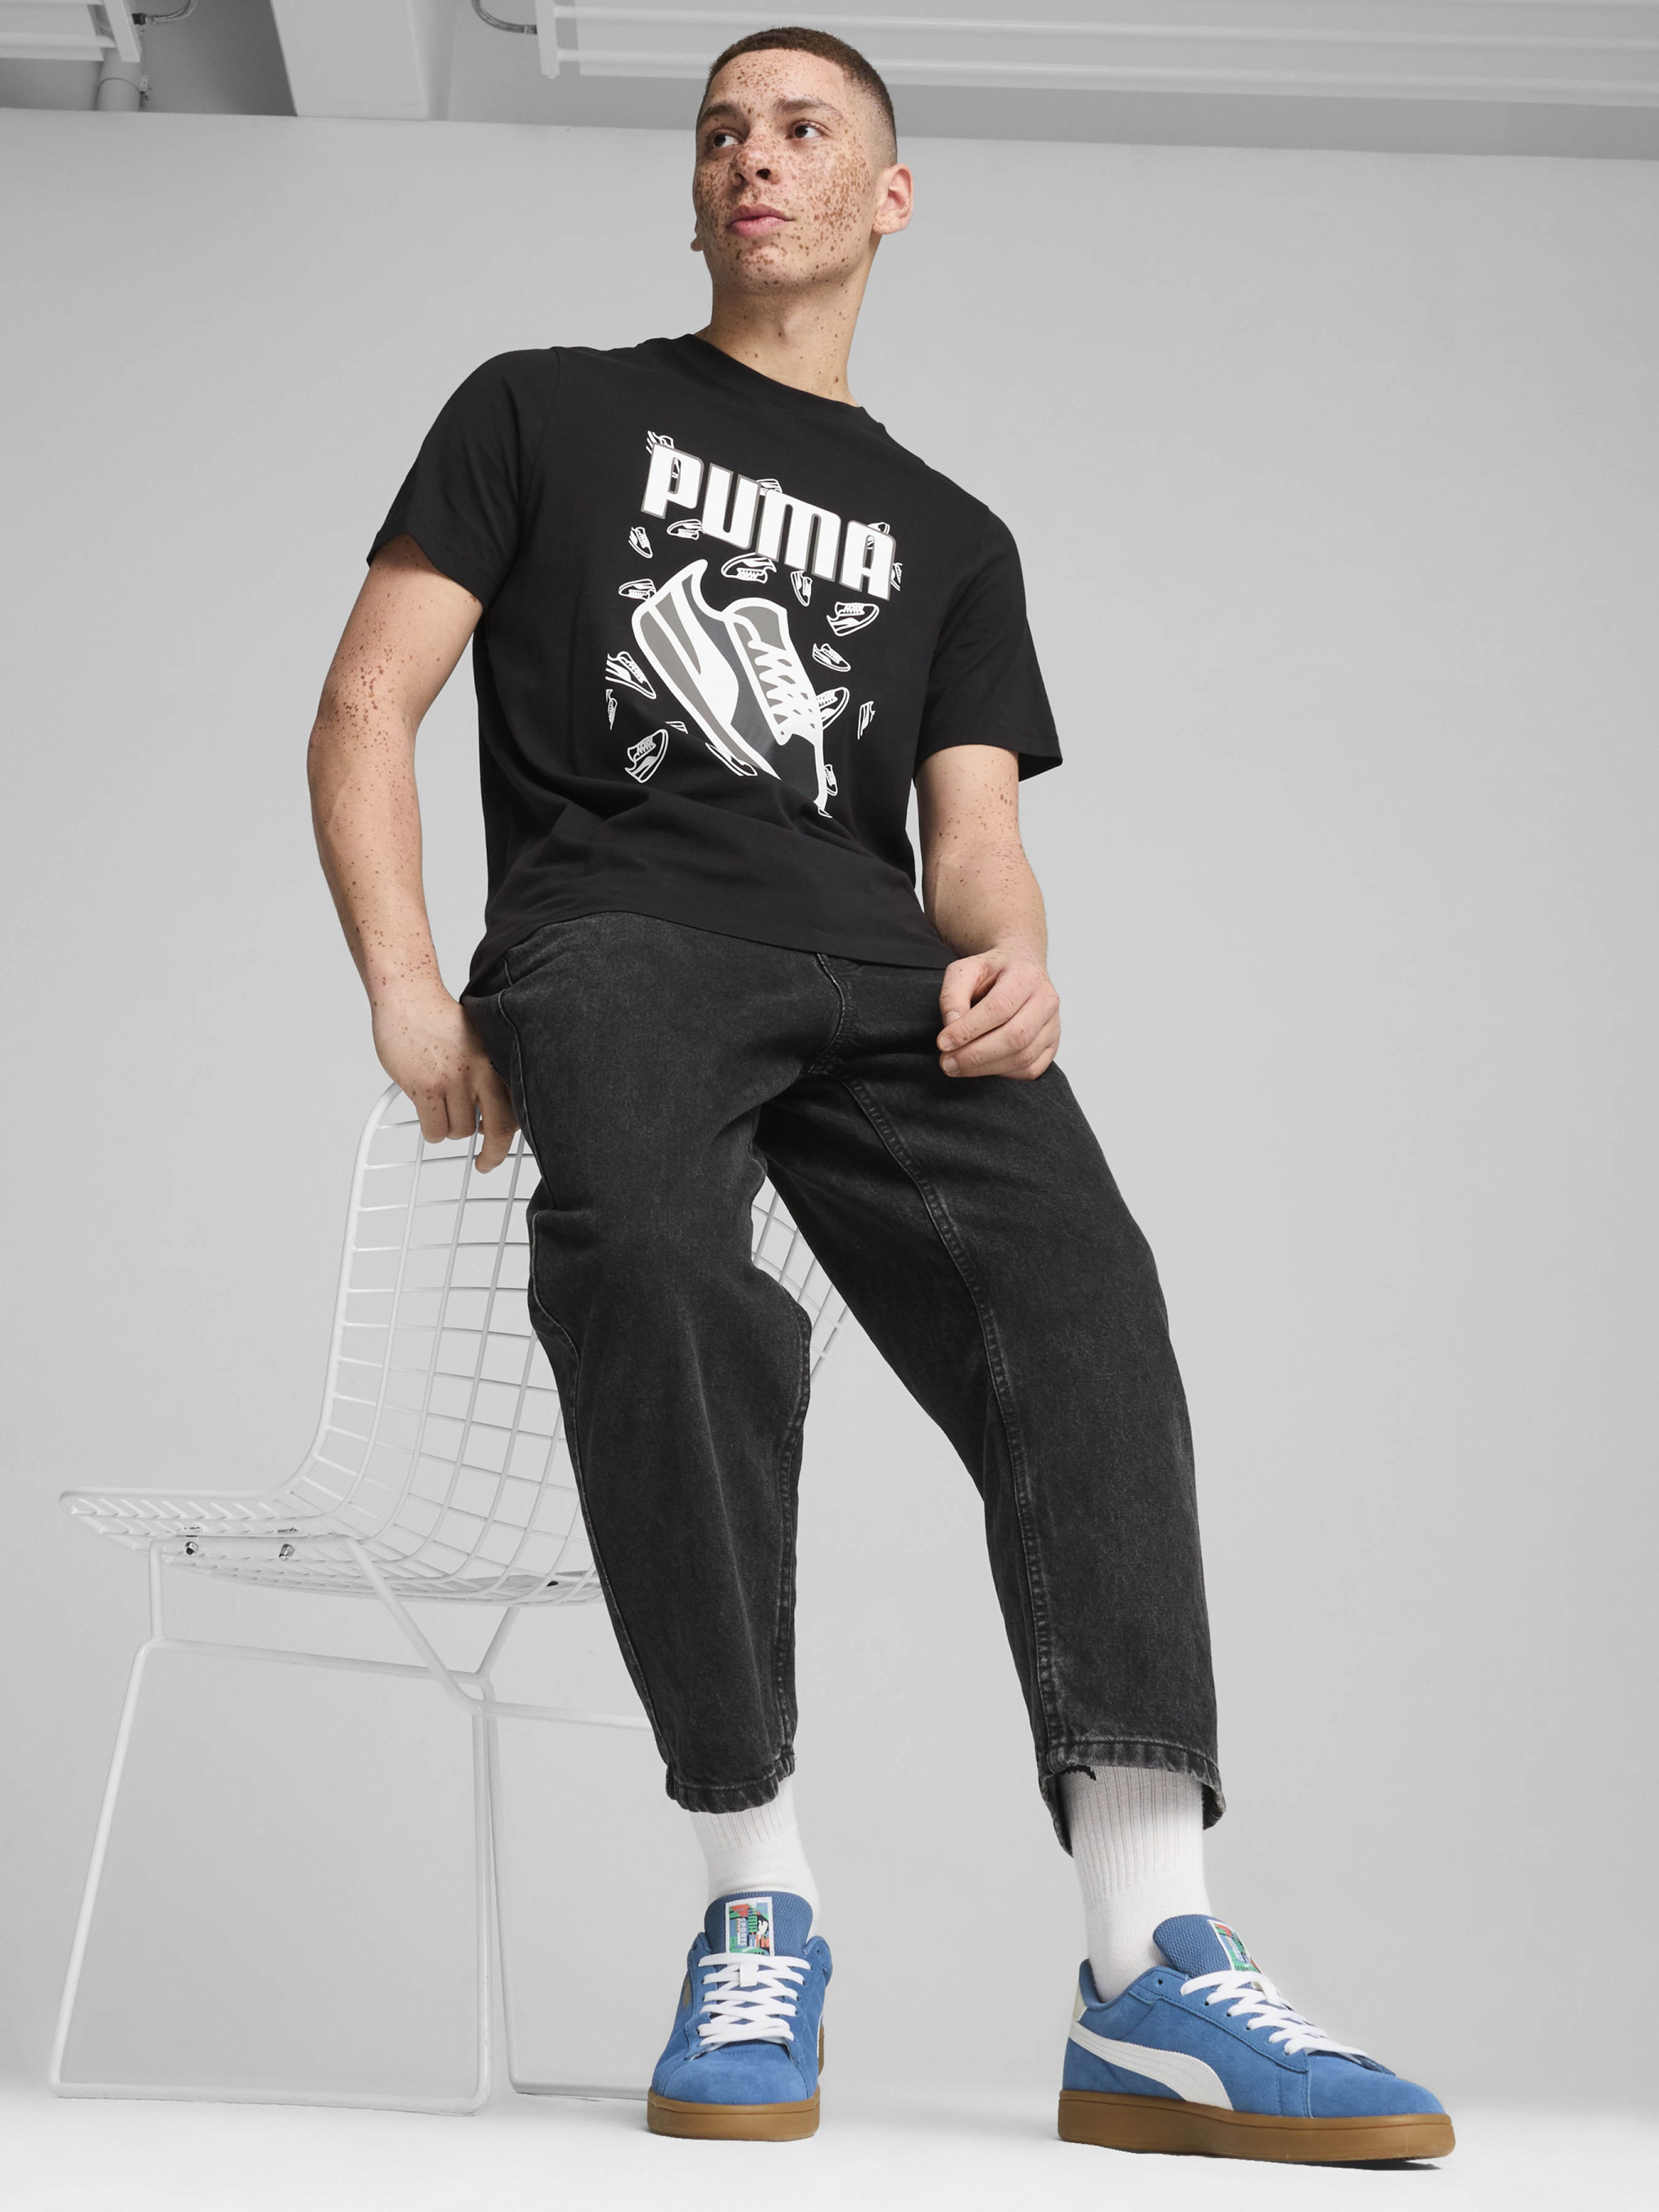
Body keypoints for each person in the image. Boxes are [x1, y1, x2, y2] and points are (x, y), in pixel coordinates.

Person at [307, 25, 1452, 2161]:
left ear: (887, 195)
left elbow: (973, 828)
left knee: (1087, 1302)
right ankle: (757, 1898)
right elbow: (370, 700)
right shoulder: (541, 408)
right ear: (694, 190)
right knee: (652, 1268)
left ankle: (1151, 1965)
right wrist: (404, 981)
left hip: (878, 960)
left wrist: (1014, 948)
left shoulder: (953, 535)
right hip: (615, 931)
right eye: (720, 130)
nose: (755, 155)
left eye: (804, 127)